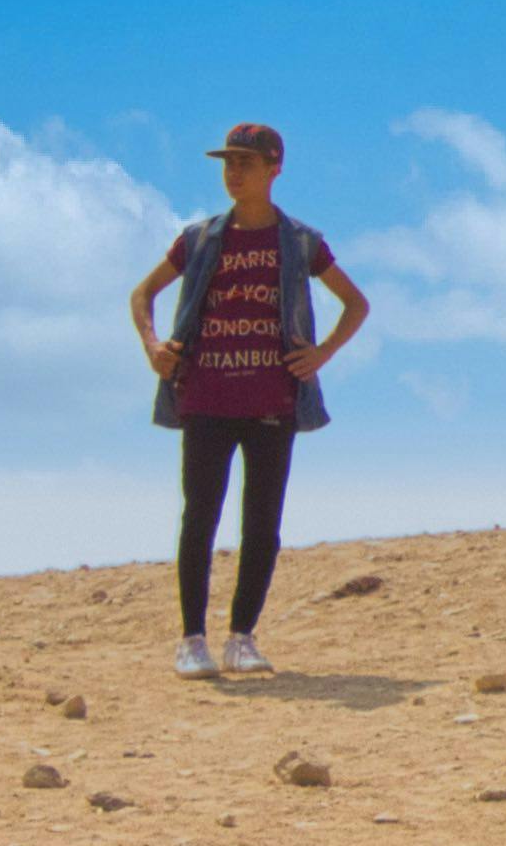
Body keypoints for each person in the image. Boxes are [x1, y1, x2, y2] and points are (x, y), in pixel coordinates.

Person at [131, 119, 367, 680]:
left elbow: (356, 303)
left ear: (273, 169)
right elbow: (143, 294)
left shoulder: (301, 242)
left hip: (272, 402)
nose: (233, 173)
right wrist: (153, 346)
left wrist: (322, 354)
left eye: (245, 163)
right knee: (200, 519)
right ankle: (192, 640)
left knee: (262, 523)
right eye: (227, 163)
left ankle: (242, 638)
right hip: (206, 398)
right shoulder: (199, 239)